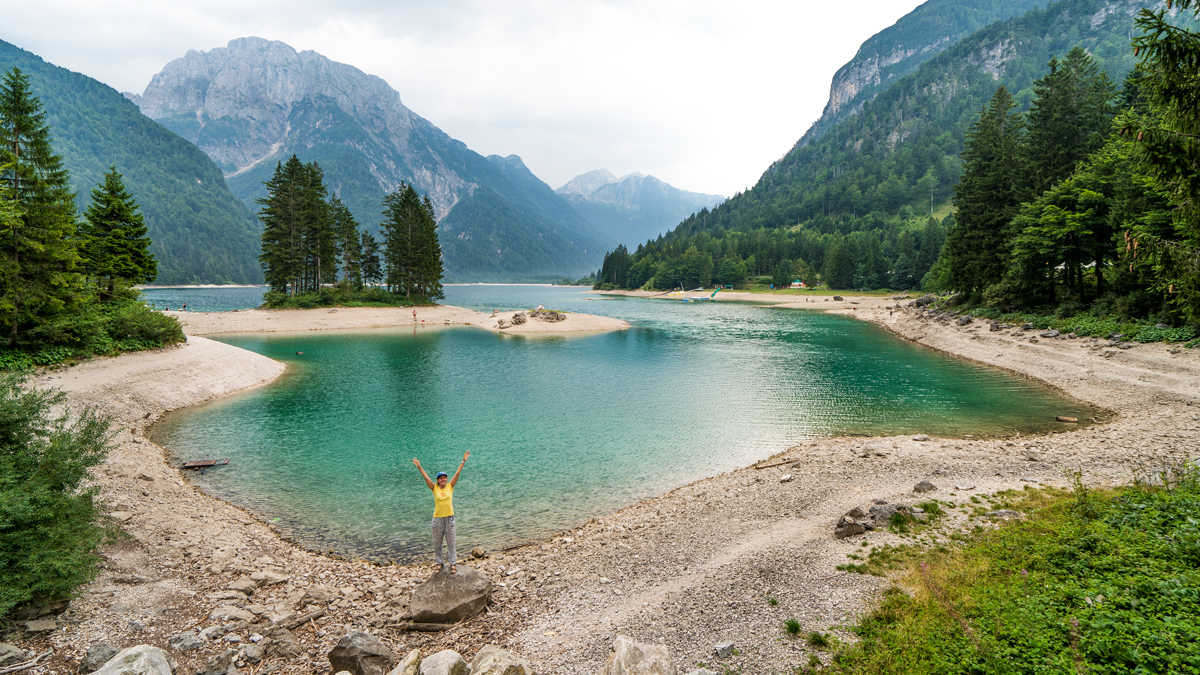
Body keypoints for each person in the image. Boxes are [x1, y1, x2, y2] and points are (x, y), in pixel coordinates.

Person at [412, 452, 470, 573]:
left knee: (451, 543)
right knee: (437, 543)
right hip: (437, 519)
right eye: (441, 478)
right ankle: (439, 563)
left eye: (444, 478)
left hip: (449, 519)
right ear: (438, 480)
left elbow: (457, 473)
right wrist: (419, 467)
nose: (443, 479)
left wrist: (463, 461)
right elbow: (426, 478)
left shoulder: (450, 486)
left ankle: (453, 563)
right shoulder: (434, 488)